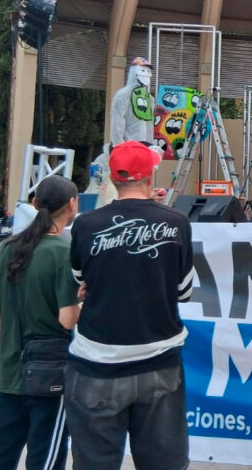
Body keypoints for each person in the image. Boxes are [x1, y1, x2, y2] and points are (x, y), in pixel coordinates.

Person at [65, 141, 194, 469]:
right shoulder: (176, 222)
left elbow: (79, 278)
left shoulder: (86, 224)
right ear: (150, 176)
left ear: (113, 177)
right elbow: (183, 292)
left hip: (96, 361)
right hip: (158, 361)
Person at [0, 175, 81, 470]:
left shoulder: (7, 246)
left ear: (34, 204)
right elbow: (67, 318)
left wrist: (17, 314)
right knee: (45, 454)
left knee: (2, 448)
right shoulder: (63, 252)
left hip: (10, 368)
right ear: (72, 204)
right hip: (50, 373)